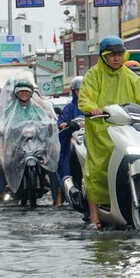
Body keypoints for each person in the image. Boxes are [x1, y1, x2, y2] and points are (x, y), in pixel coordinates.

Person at [77, 36, 140, 229]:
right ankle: (94, 216)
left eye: (119, 54)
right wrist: (92, 108)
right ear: (103, 56)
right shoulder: (93, 75)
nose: (116, 59)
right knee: (98, 170)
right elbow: (85, 99)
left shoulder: (130, 76)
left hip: (129, 130)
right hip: (102, 130)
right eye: (112, 55)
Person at [0, 76, 59, 200]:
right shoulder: (9, 109)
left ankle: (57, 196)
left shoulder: (38, 108)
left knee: (52, 164)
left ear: (31, 93)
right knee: (3, 165)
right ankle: (1, 192)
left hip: (36, 144)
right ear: (16, 93)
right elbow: (2, 122)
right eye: (21, 91)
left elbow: (45, 120)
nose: (24, 93)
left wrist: (50, 125)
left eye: (26, 91)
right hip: (16, 145)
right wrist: (0, 127)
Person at [55, 75, 85, 206]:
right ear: (74, 91)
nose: (81, 93)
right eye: (78, 90)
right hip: (73, 142)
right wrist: (64, 124)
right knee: (65, 164)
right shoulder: (68, 108)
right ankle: (62, 194)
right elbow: (61, 121)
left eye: (84, 90)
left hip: (89, 141)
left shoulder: (92, 106)